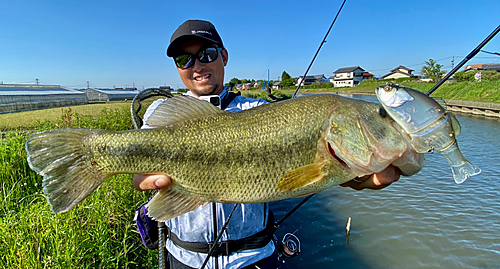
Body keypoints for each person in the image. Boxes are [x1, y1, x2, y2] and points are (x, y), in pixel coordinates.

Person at [132, 19, 401, 269]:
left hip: (253, 258)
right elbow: (141, 176)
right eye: (184, 59)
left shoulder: (261, 110)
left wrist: (349, 175)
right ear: (177, 68)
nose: (197, 65)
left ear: (223, 56)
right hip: (183, 258)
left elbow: (303, 172)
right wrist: (139, 177)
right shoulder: (161, 112)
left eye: (207, 54)